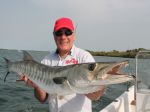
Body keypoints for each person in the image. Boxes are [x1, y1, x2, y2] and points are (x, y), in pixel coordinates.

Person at [21, 17, 105, 112]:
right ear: (54, 36)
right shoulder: (47, 60)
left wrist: (100, 84)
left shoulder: (84, 57)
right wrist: (36, 85)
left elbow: (95, 96)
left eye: (67, 32)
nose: (63, 37)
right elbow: (42, 99)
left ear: (74, 35)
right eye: (59, 33)